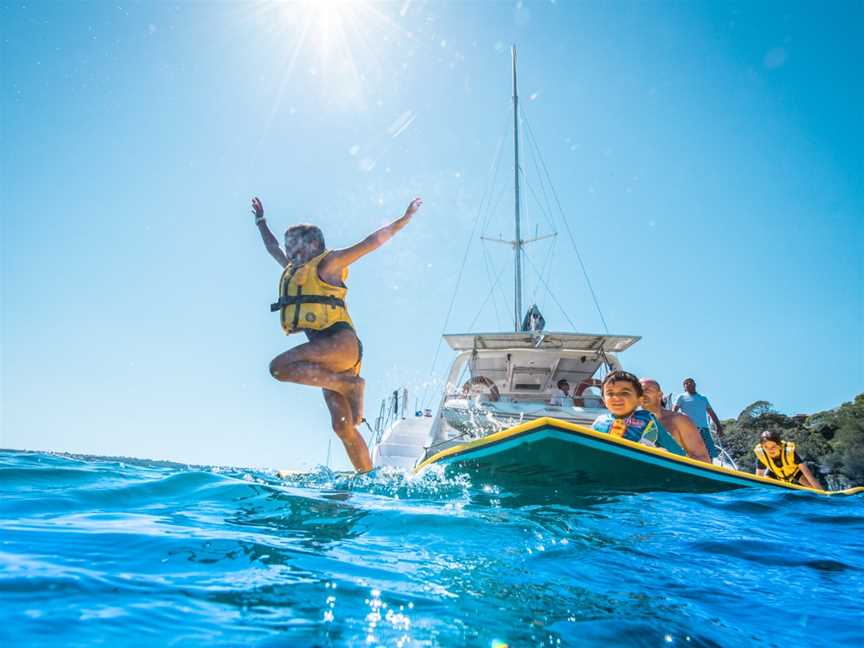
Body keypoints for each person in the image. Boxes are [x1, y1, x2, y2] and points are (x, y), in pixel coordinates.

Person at [252, 195, 423, 472]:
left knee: (278, 369)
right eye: (287, 245)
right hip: (330, 359)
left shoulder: (327, 264)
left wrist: (404, 220)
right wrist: (261, 222)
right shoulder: (293, 269)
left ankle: (348, 385)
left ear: (313, 245)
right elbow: (271, 247)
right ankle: (367, 477)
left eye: (293, 245)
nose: (288, 250)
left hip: (339, 344)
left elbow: (370, 243)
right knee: (342, 428)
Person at [592, 371, 685, 456]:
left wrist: (659, 451)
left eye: (624, 393)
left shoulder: (649, 420)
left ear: (639, 400)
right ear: (604, 400)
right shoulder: (600, 422)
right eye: (610, 393)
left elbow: (676, 451)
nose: (616, 397)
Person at [639, 378, 711, 463]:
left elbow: (702, 459)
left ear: (660, 395)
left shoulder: (678, 420)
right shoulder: (633, 422)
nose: (642, 394)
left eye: (647, 390)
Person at [673, 378, 724, 461]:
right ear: (684, 387)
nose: (689, 383)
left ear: (695, 384)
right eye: (686, 383)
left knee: (709, 451)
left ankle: (709, 469)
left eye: (691, 382)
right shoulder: (681, 397)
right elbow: (674, 411)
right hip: (688, 429)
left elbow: (711, 413)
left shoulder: (703, 398)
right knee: (690, 451)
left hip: (704, 429)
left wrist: (719, 426)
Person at [754, 430, 823, 489]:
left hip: (794, 472)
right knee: (765, 483)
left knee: (811, 487)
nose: (770, 450)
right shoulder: (761, 454)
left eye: (773, 447)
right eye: (766, 447)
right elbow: (759, 477)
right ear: (762, 447)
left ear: (779, 445)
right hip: (775, 473)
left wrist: (821, 492)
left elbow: (808, 475)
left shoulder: (790, 453)